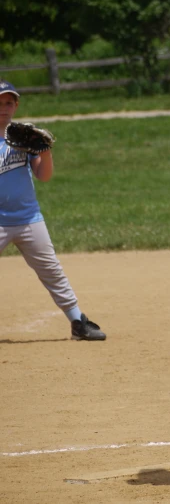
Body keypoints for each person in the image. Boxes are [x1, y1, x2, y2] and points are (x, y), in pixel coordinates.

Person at [0, 81, 106, 341]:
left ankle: (78, 322)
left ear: (16, 105)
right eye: (0, 102)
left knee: (52, 271)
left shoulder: (22, 136)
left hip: (28, 218)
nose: (4, 108)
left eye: (9, 102)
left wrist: (44, 153)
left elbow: (43, 175)